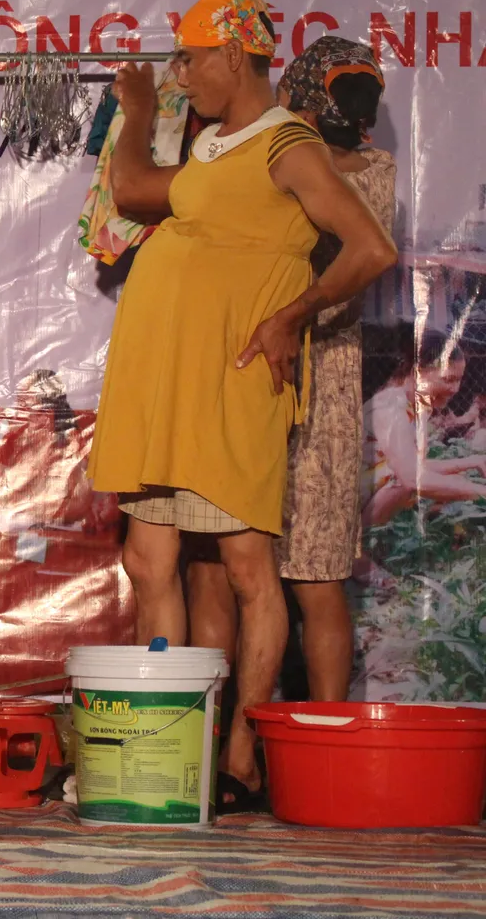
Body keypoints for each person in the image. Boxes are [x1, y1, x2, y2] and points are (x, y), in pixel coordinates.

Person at [88, 0, 397, 808]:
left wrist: (292, 316)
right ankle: (166, 753)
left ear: (233, 55)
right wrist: (140, 108)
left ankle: (241, 754)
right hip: (164, 379)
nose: (182, 75)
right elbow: (128, 191)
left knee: (249, 567)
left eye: (189, 59)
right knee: (146, 560)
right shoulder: (215, 147)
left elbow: (371, 247)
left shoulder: (287, 146)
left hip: (231, 380)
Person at [185, 37, 396, 703]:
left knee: (245, 570)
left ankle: (221, 749)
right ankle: (289, 746)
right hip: (298, 369)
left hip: (279, 364)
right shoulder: (372, 170)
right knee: (297, 574)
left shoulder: (285, 164)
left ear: (296, 99)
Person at [363, 336, 486, 528]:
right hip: (347, 510)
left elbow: (414, 466)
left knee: (451, 483)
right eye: (448, 379)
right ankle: (363, 543)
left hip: (367, 497)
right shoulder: (391, 407)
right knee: (411, 482)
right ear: (418, 372)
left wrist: (471, 462)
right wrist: (481, 491)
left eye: (459, 380)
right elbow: (411, 477)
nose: (455, 389)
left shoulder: (414, 407)